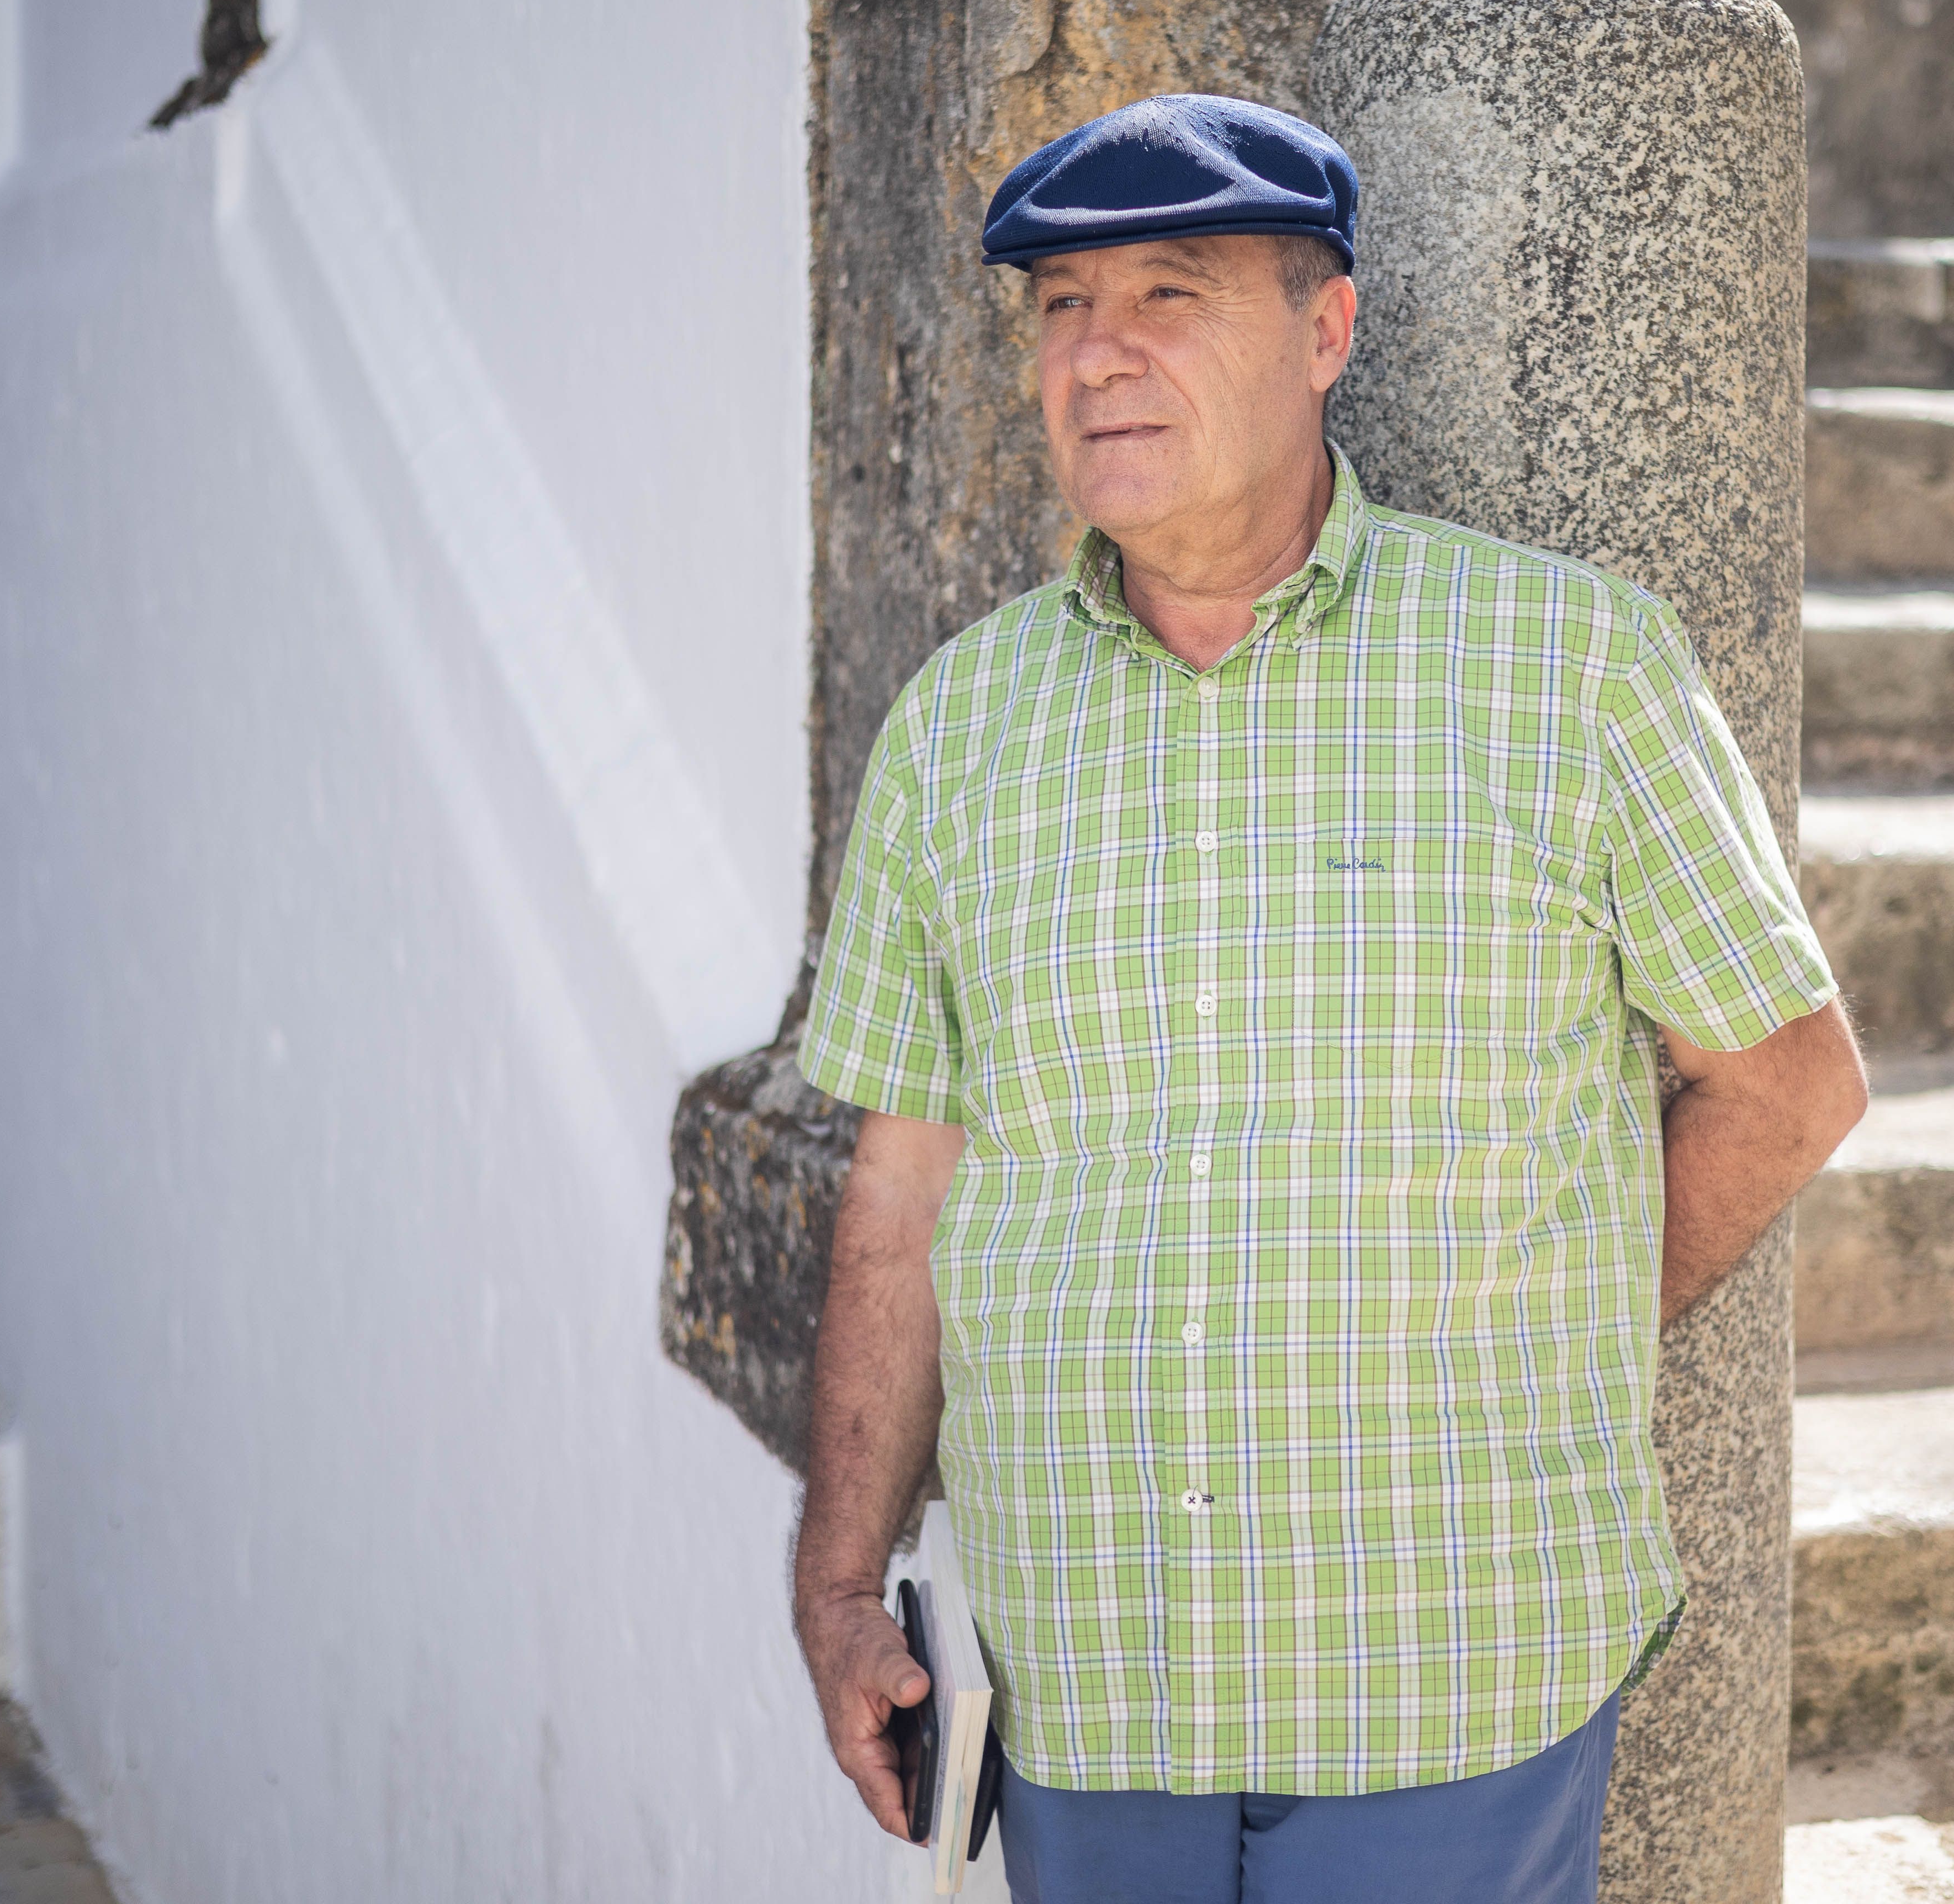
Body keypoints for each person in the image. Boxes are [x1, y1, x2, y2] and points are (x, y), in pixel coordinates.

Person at [788, 93, 1868, 1904]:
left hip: (1445, 1679)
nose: (1100, 355)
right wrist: (837, 1587)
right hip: (1084, 1680)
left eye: (1172, 293)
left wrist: (1537, 1348)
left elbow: (1789, 1085)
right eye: (1060, 306)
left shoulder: (1569, 667)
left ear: (1328, 328)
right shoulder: (955, 731)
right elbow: (903, 1197)